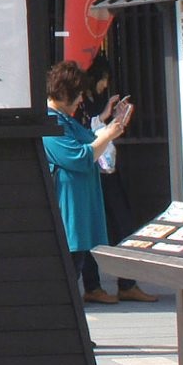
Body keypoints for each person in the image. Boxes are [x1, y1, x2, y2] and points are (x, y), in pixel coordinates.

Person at [43, 59, 133, 304]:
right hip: (68, 209)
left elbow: (90, 138)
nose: (81, 100)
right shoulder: (50, 122)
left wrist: (111, 125)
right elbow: (81, 157)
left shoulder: (63, 118)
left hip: (79, 207)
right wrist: (109, 134)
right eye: (79, 94)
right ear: (66, 94)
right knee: (69, 274)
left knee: (75, 268)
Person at [81, 54, 158, 304]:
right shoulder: (80, 102)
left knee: (123, 226)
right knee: (94, 231)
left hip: (107, 170)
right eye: (103, 79)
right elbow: (81, 133)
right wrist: (104, 117)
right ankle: (93, 286)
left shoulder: (95, 100)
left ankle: (127, 283)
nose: (105, 85)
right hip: (92, 172)